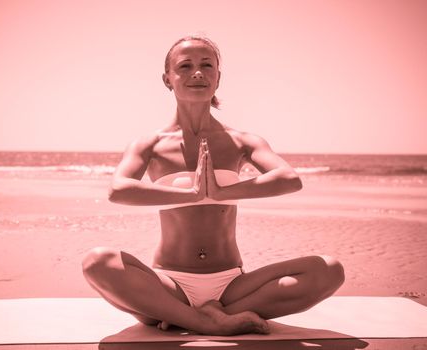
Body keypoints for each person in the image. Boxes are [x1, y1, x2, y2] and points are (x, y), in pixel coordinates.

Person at [82, 36, 345, 336]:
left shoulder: (241, 141)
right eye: (186, 66)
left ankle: (205, 316)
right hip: (170, 284)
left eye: (207, 65)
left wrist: (222, 193)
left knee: (329, 270)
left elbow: (289, 179)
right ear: (167, 79)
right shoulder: (150, 144)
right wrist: (191, 194)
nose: (198, 73)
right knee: (97, 261)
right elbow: (118, 190)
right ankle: (204, 321)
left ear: (218, 78)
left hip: (232, 284)